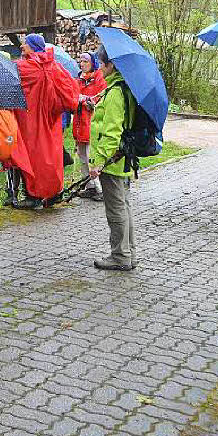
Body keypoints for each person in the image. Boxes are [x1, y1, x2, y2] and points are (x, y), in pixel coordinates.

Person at [14, 34, 79, 208]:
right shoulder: (55, 66)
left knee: (33, 157)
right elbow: (71, 91)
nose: (22, 46)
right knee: (52, 156)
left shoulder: (24, 67)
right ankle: (54, 193)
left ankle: (33, 195)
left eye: (25, 44)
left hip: (30, 121)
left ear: (33, 46)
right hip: (51, 120)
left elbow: (9, 76)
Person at [89, 45, 139, 271]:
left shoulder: (116, 93)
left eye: (102, 63)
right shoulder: (119, 88)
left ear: (112, 65)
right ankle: (128, 252)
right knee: (124, 206)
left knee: (116, 208)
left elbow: (111, 133)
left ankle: (120, 256)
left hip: (113, 160)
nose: (100, 68)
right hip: (122, 158)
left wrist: (98, 161)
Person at [73, 51, 107, 201]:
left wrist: (90, 102)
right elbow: (72, 96)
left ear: (92, 63)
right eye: (81, 61)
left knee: (91, 156)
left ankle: (100, 188)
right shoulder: (78, 80)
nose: (82, 64)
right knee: (82, 156)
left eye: (85, 61)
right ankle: (89, 186)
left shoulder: (99, 78)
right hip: (80, 123)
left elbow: (102, 97)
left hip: (92, 123)